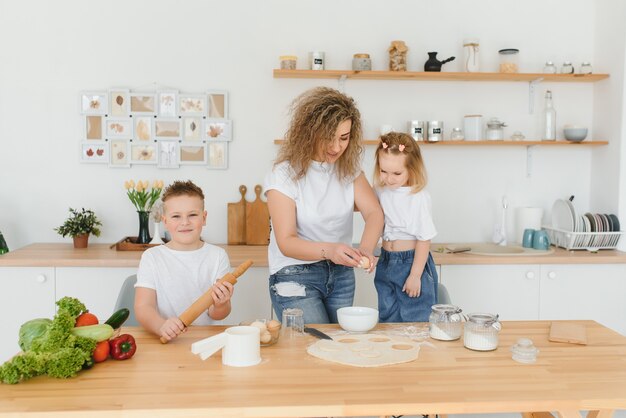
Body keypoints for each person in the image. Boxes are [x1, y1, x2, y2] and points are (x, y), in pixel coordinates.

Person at [265, 86, 384, 324]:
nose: (337, 147)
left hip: (341, 274)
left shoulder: (348, 171)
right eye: (329, 137)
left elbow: (374, 213)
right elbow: (286, 242)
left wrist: (367, 250)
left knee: (336, 349)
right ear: (309, 132)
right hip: (294, 275)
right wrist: (330, 250)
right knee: (313, 347)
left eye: (344, 137)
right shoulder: (284, 175)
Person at [135, 180, 234, 341]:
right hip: (166, 339)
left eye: (192, 215)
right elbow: (143, 307)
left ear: (204, 217)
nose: (185, 222)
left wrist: (221, 304)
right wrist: (161, 326)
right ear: (165, 221)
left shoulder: (217, 256)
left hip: (204, 339)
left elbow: (218, 314)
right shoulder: (152, 257)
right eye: (176, 216)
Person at [372, 132, 438, 322]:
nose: (389, 178)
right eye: (384, 171)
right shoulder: (381, 190)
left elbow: (424, 239)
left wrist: (416, 275)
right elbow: (374, 218)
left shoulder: (418, 197)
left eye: (397, 173)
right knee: (387, 315)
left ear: (412, 169)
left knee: (415, 317)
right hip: (386, 260)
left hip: (410, 263)